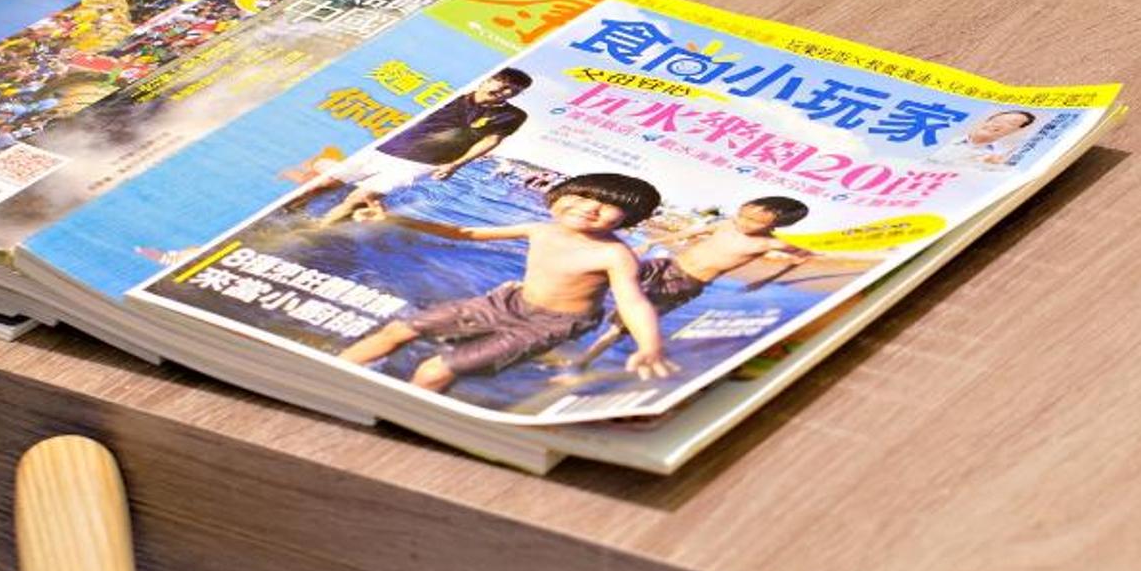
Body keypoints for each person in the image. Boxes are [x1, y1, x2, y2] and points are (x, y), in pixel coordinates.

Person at [337, 172, 675, 393]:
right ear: (558, 196)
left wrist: (650, 346)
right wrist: (395, 219)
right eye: (583, 196)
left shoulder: (614, 255)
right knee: (397, 330)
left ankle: (404, 415)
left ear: (629, 219)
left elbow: (632, 302)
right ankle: (335, 373)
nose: (591, 207)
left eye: (610, 206)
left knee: (433, 371)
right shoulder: (540, 229)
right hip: (506, 302)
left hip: (550, 324)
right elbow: (465, 232)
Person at [567, 196, 813, 368]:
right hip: (665, 266)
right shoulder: (725, 224)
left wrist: (768, 279)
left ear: (777, 224)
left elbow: (803, 256)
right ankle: (564, 329)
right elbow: (689, 233)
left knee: (625, 323)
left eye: (755, 221)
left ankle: (583, 361)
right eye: (742, 214)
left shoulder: (768, 243)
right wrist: (651, 242)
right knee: (596, 279)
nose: (743, 222)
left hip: (685, 282)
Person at [285, 70, 530, 225]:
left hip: (421, 163)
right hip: (383, 148)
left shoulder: (513, 116)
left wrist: (455, 165)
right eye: (502, 84)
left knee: (361, 198)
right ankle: (288, 212)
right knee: (323, 184)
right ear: (487, 79)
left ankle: (315, 232)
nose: (505, 92)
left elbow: (491, 140)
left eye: (513, 91)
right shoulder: (449, 92)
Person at [957, 107, 1039, 168]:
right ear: (987, 121)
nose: (997, 125)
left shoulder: (1000, 156)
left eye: (1010, 123)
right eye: (997, 120)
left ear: (1016, 131)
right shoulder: (954, 139)